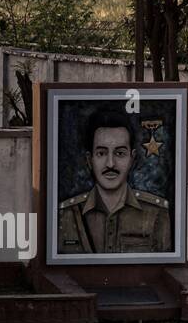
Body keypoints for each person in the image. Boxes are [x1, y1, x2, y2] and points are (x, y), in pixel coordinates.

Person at [57, 108, 172, 254]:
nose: (110, 163)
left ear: (132, 159)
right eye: (101, 153)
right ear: (89, 160)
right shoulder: (66, 215)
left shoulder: (156, 213)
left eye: (120, 153)